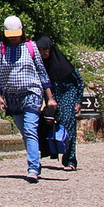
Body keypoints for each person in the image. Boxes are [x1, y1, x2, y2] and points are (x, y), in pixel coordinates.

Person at [0, 15, 56, 183]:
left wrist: (49, 97)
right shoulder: (2, 48)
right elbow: (1, 73)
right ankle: (35, 158)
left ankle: (33, 168)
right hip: (12, 97)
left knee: (30, 129)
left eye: (16, 33)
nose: (14, 37)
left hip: (31, 94)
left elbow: (41, 71)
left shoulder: (31, 47)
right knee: (25, 132)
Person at [34, 35, 84, 172]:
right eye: (39, 50)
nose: (43, 53)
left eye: (45, 50)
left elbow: (78, 81)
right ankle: (49, 152)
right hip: (52, 97)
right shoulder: (40, 65)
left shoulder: (62, 64)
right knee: (47, 125)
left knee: (68, 125)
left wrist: (79, 100)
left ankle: (70, 160)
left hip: (67, 95)